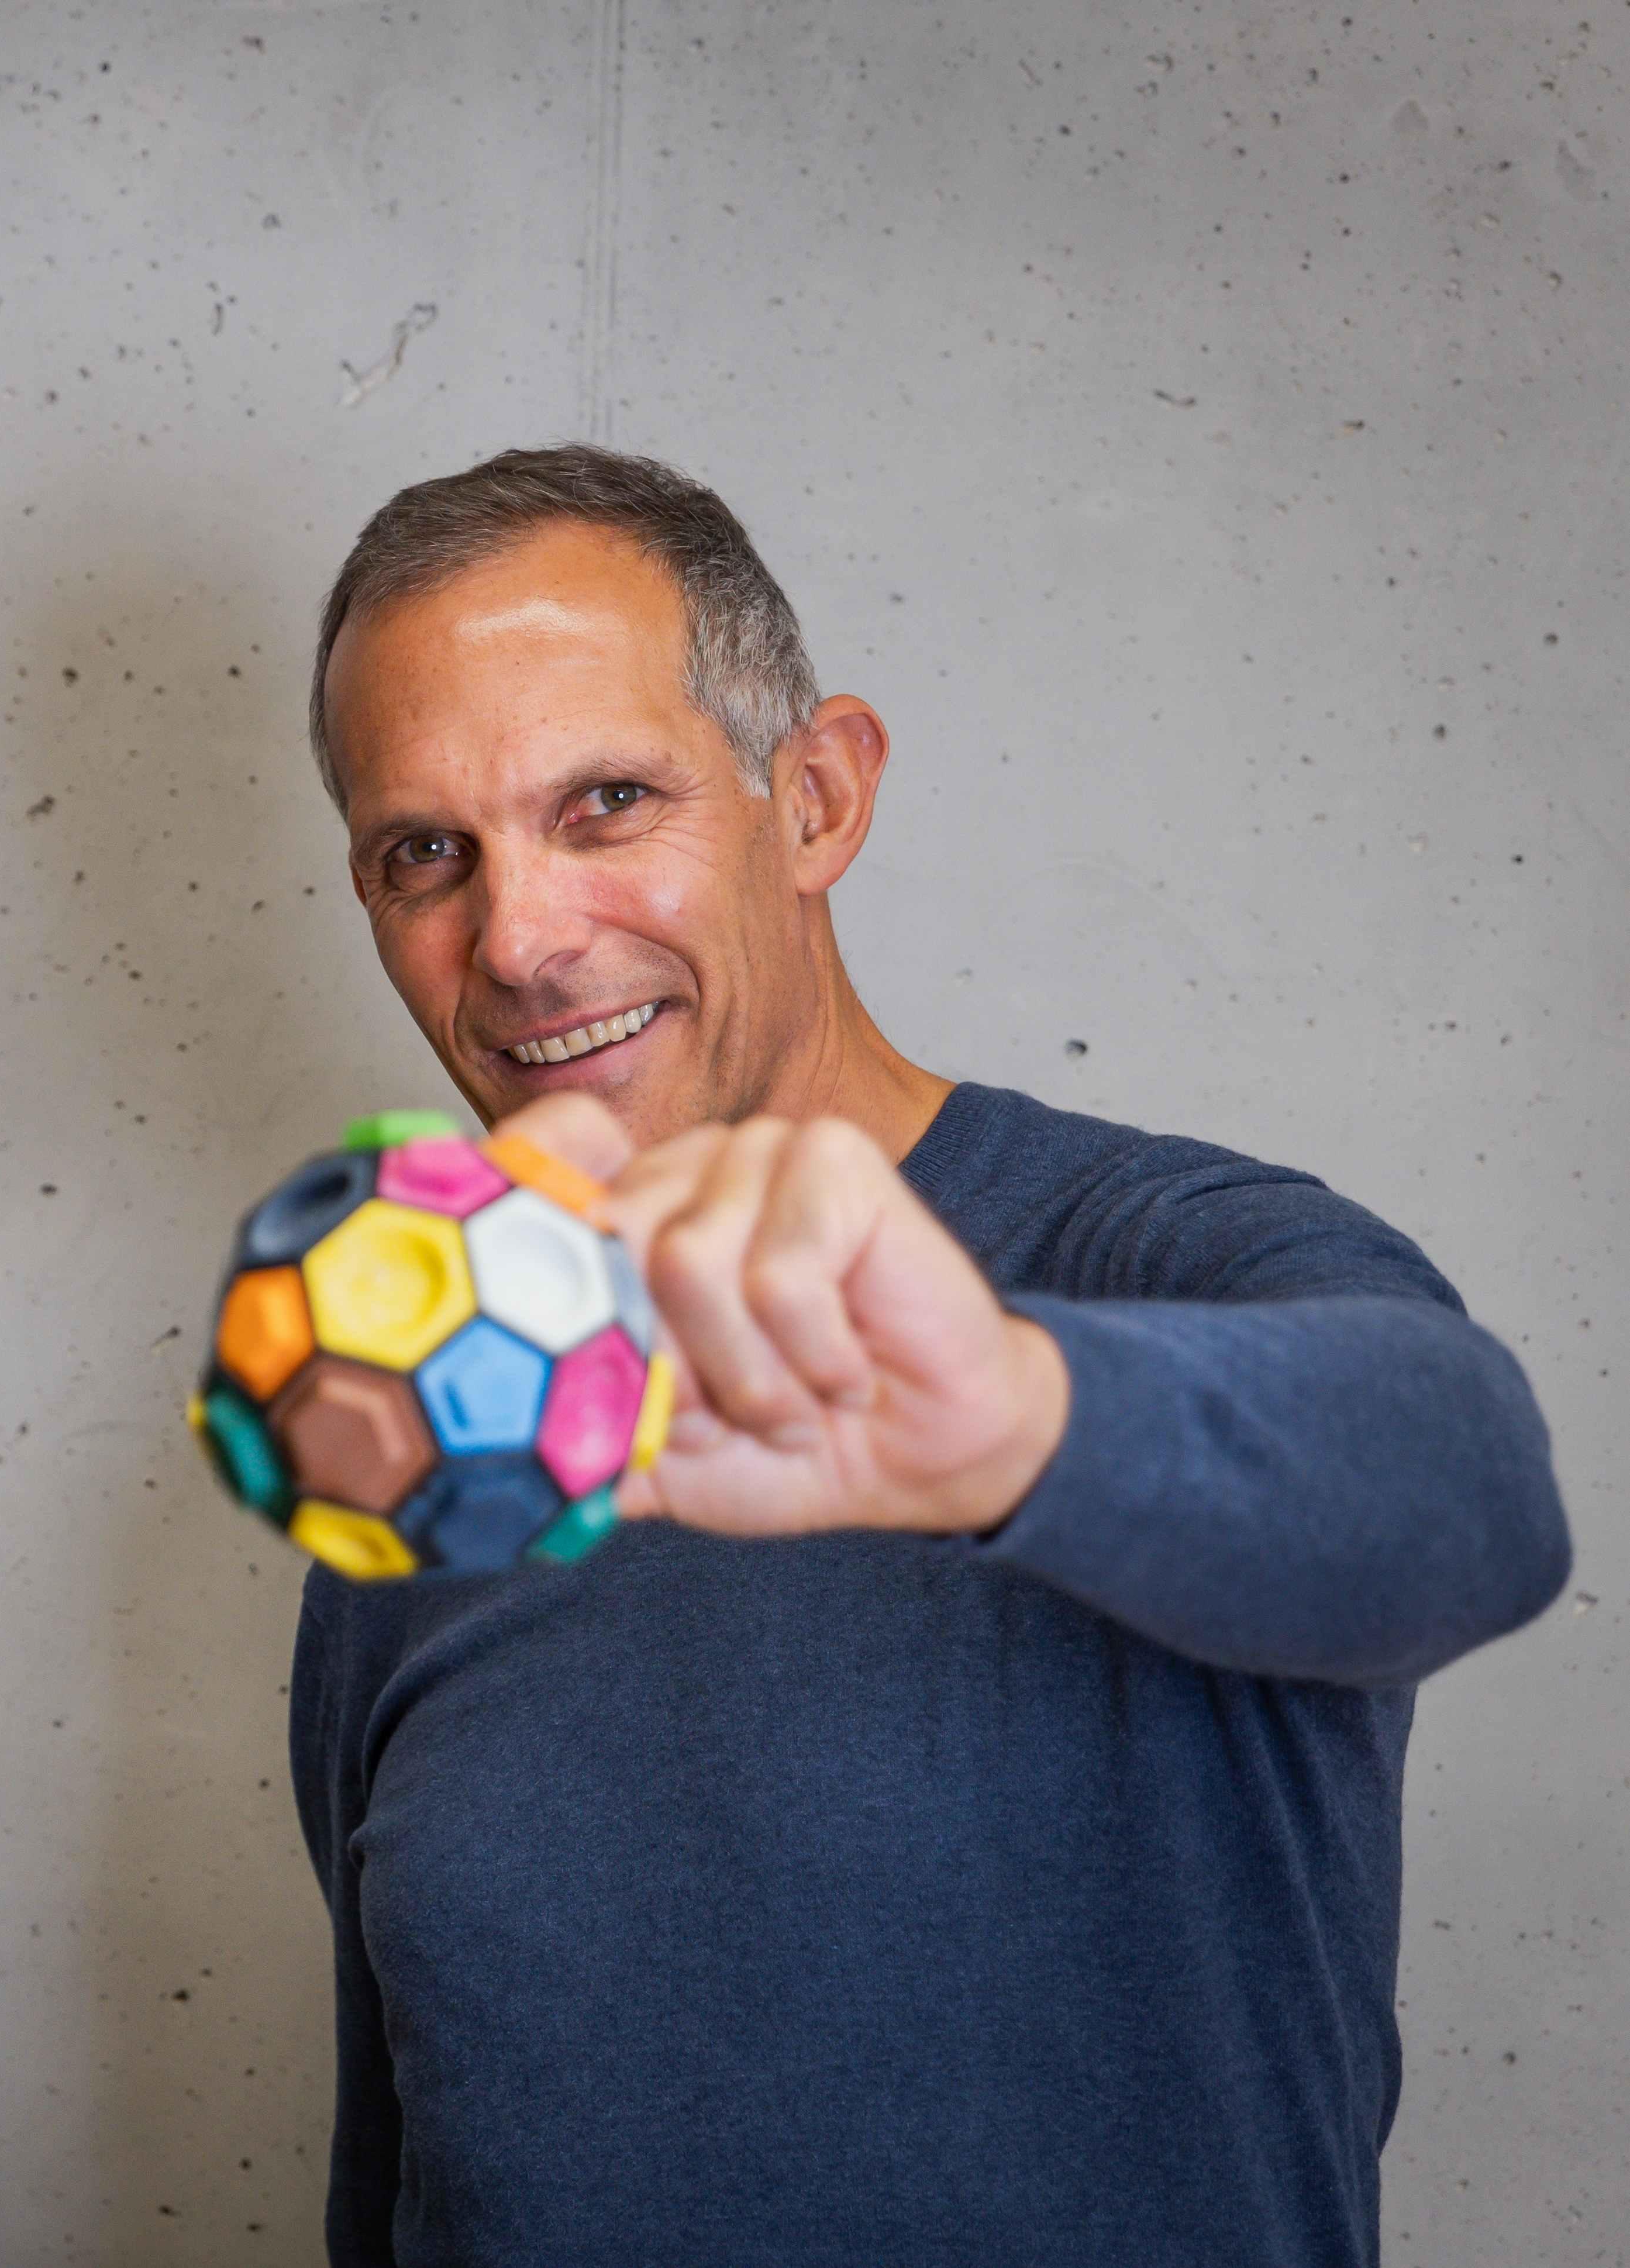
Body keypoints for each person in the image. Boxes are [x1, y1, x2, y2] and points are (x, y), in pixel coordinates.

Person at [289, 446, 1567, 2267]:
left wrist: (1012, 1419)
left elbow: (1476, 1494)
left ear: (813, 799)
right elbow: (399, 2169)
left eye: (607, 803)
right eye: (427, 855)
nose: (517, 940)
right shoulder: (429, 1429)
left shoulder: (1156, 1256)